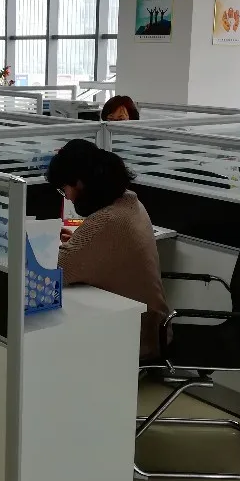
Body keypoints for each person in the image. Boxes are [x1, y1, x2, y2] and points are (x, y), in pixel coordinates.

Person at [46, 139, 169, 358]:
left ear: (80, 183)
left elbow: (54, 271)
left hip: (138, 339)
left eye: (64, 189)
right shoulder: (130, 201)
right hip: (153, 326)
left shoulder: (106, 221)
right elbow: (106, 249)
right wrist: (83, 242)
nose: (68, 198)